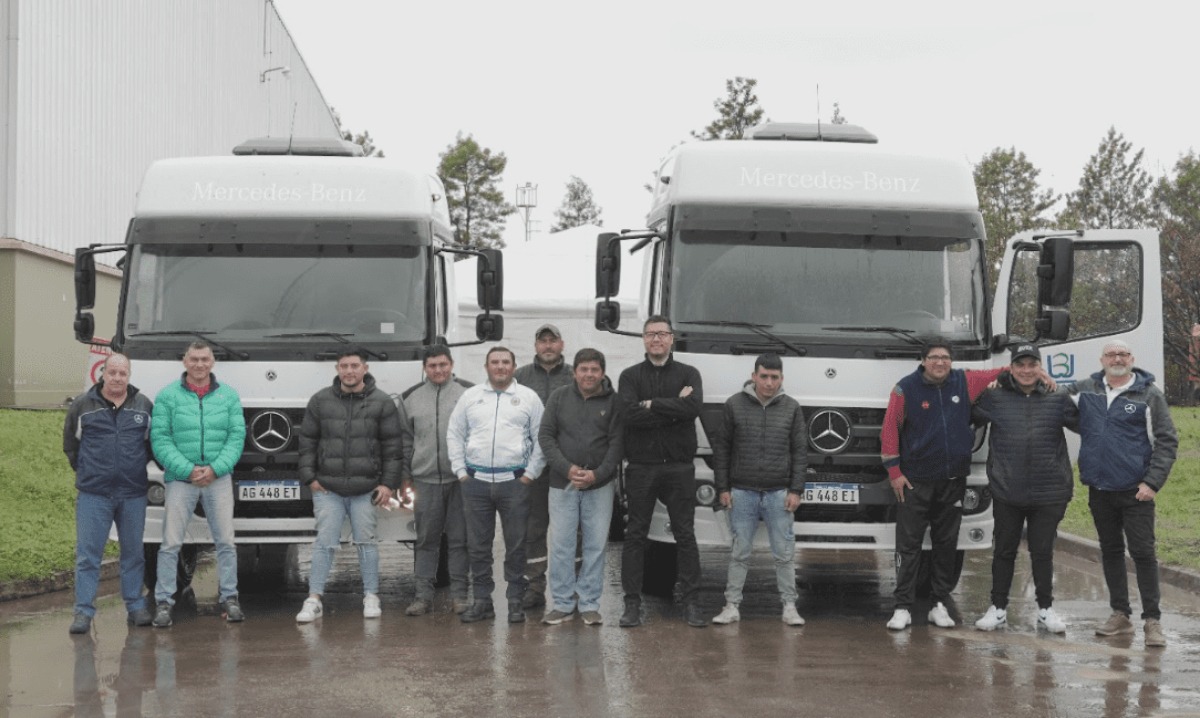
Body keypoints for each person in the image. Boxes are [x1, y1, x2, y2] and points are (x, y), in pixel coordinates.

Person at [880, 339, 1004, 631]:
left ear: (951, 361)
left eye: (945, 358)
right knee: (908, 546)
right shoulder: (905, 389)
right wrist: (894, 472)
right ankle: (903, 607)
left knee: (946, 544)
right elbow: (890, 431)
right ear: (923, 360)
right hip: (914, 482)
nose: (940, 363)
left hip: (952, 481)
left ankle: (938, 604)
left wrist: (1041, 374)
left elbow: (1005, 371)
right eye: (934, 357)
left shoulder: (965, 381)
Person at [1069, 340, 1177, 648]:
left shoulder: (1149, 395)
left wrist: (1152, 483)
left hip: (1136, 492)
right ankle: (1120, 614)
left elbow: (1167, 441)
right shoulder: (1086, 389)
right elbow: (1054, 399)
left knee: (1143, 554)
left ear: (1132, 359)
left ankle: (1152, 621)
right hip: (1100, 489)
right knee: (1111, 551)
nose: (1118, 358)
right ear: (1102, 359)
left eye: (1124, 354)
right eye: (1112, 354)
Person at [972, 344, 1079, 634]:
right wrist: (986, 383)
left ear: (1040, 368)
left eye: (1032, 365)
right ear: (1011, 368)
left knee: (1042, 552)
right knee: (1003, 551)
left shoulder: (1058, 397)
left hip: (1049, 491)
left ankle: (1045, 609)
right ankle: (998, 609)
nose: (1026, 370)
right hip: (1008, 490)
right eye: (1020, 365)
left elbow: (1085, 425)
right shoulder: (994, 396)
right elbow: (969, 414)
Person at [294, 348, 403, 623]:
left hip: (366, 488)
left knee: (367, 543)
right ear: (337, 369)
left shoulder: (382, 403)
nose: (349, 371)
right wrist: (310, 478)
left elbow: (393, 448)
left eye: (354, 366)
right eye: (344, 366)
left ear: (365, 368)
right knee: (324, 543)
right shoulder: (320, 401)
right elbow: (307, 442)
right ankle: (314, 599)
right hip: (328, 489)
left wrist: (388, 484)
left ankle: (371, 597)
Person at [618, 316, 706, 628]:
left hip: (679, 468)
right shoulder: (629, 376)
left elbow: (692, 408)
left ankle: (692, 601)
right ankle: (631, 603)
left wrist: (651, 404)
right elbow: (628, 415)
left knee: (685, 534)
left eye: (662, 334)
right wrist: (671, 409)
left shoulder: (688, 373)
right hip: (641, 468)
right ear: (643, 339)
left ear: (672, 339)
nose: (657, 339)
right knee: (635, 535)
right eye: (651, 334)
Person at [447, 346, 546, 624]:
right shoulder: (471, 397)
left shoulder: (528, 398)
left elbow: (542, 438)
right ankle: (482, 601)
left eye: (505, 362)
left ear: (514, 366)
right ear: (486, 366)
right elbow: (455, 433)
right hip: (475, 483)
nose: (500, 367)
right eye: (495, 362)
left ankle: (515, 600)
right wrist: (460, 471)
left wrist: (530, 474)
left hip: (514, 483)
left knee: (516, 545)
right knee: (478, 546)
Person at [150, 341, 246, 627]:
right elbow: (161, 439)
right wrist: (187, 470)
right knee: (170, 544)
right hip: (181, 480)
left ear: (212, 362)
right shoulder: (167, 396)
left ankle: (230, 598)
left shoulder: (228, 396)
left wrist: (216, 469)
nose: (200, 364)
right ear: (185, 361)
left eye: (205, 359)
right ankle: (164, 602)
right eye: (194, 359)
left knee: (226, 542)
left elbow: (235, 437)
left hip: (218, 479)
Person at [710, 354, 807, 627]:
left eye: (774, 377)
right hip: (742, 491)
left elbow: (799, 452)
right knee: (739, 552)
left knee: (784, 553)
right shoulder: (734, 405)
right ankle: (731, 606)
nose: (769, 382)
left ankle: (789, 606)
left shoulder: (792, 408)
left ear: (782, 379)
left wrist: (796, 490)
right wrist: (723, 488)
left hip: (779, 493)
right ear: (754, 376)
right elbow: (722, 451)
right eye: (763, 376)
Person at [62, 353, 155, 634]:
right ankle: (83, 612)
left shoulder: (143, 406)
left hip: (133, 493)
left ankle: (135, 605)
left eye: (122, 373)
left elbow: (151, 445)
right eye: (112, 372)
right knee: (88, 555)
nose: (117, 378)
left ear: (129, 376)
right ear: (102, 373)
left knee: (133, 553)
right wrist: (91, 472)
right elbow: (71, 447)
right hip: (95, 494)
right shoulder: (82, 406)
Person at [538, 348, 623, 626]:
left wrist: (597, 475)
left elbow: (617, 445)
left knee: (596, 546)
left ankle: (589, 604)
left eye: (594, 369)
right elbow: (546, 436)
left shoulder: (614, 402)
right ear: (574, 372)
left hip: (600, 486)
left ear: (602, 372)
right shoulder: (559, 397)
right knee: (561, 545)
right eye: (583, 369)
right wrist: (568, 469)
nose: (589, 374)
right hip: (562, 484)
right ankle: (562, 603)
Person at [400, 345, 473, 616]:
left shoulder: (469, 395)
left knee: (459, 540)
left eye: (443, 364)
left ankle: (459, 596)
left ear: (451, 364)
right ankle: (422, 597)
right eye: (432, 366)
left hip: (461, 480)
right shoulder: (411, 398)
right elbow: (405, 441)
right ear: (424, 368)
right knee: (426, 540)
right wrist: (406, 477)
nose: (438, 370)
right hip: (425, 480)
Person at [513, 323, 573, 610]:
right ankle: (534, 587)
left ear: (562, 344)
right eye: (543, 341)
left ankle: (570, 590)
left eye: (553, 341)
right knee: (533, 528)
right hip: (533, 467)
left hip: (567, 465)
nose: (548, 346)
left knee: (569, 530)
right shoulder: (520, 376)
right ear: (536, 346)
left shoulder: (577, 375)